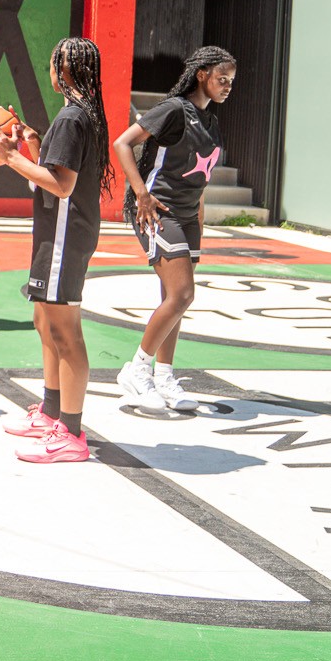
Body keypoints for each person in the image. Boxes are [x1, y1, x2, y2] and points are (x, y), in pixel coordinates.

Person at [0, 37, 112, 465]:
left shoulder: (73, 117)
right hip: (57, 232)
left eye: (53, 64)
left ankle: (71, 434)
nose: (50, 71)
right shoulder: (77, 114)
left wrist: (9, 156)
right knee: (44, 321)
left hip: (64, 236)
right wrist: (32, 144)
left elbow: (61, 185)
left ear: (65, 70)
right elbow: (51, 173)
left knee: (65, 332)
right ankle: (51, 411)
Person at [111, 46, 237, 418]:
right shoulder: (174, 109)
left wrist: (200, 222)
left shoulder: (210, 121)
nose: (227, 87)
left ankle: (164, 375)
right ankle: (137, 369)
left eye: (231, 82)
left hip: (188, 217)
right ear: (202, 74)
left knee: (174, 297)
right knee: (183, 294)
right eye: (222, 79)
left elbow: (201, 179)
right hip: (157, 209)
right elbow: (122, 143)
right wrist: (140, 194)